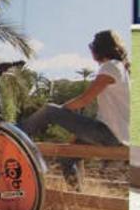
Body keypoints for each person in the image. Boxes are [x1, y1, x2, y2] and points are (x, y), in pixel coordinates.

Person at [21, 30, 130, 191]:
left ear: (98, 49)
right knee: (67, 156)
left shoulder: (110, 67)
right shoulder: (121, 68)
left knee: (49, 110)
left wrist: (59, 112)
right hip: (116, 134)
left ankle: (15, 133)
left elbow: (85, 99)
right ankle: (77, 195)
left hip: (109, 133)